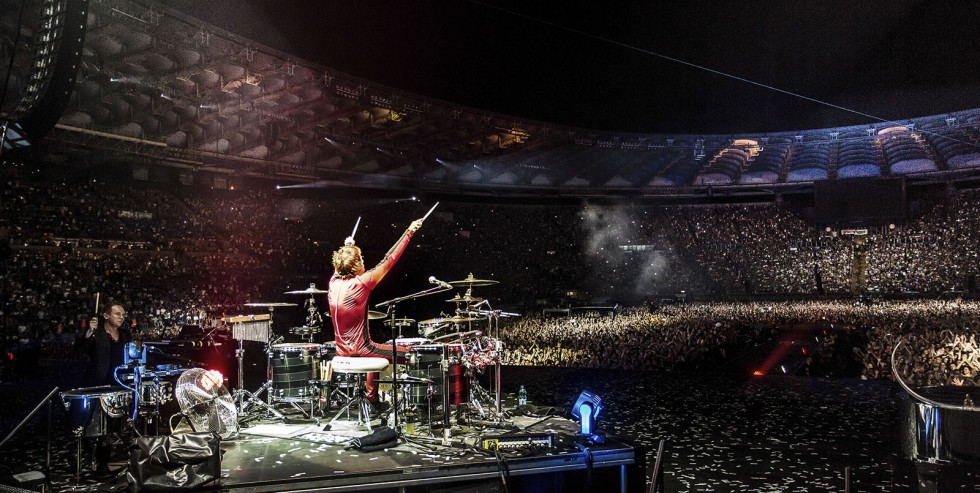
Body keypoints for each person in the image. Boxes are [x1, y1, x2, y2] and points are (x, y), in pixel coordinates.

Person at [327, 218, 423, 402]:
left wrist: (348, 247)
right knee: (412, 353)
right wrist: (409, 231)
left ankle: (373, 399)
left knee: (378, 350)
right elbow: (390, 259)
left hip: (341, 351)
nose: (364, 261)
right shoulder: (362, 282)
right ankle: (419, 402)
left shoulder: (333, 283)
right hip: (361, 350)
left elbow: (338, 267)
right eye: (361, 259)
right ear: (355, 265)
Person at [83, 301, 132, 386]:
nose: (121, 317)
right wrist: (89, 333)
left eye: (123, 315)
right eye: (117, 314)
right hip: (100, 384)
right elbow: (82, 350)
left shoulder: (126, 335)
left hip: (121, 384)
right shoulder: (96, 334)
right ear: (106, 316)